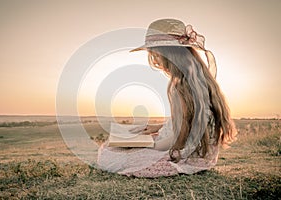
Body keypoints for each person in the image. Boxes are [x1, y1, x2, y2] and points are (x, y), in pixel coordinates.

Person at [97, 19, 236, 177]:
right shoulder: (199, 81)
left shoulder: (182, 88)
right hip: (201, 155)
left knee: (110, 154)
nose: (155, 61)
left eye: (156, 55)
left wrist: (144, 144)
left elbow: (173, 141)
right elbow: (188, 122)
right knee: (112, 147)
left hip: (184, 156)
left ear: (168, 54)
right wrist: (156, 129)